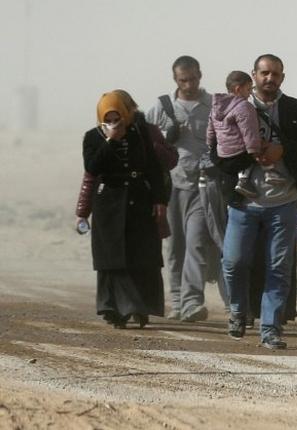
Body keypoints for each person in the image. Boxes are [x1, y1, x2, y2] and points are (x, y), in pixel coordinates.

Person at [222, 54, 297, 349]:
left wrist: (283, 150)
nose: (270, 78)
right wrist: (249, 153)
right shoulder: (235, 107)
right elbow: (218, 152)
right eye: (264, 73)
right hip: (243, 201)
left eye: (275, 74)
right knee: (234, 262)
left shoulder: (295, 109)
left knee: (279, 266)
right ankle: (239, 311)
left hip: (283, 201)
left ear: (282, 77)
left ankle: (270, 328)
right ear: (254, 75)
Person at [83, 91, 167, 328]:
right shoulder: (92, 137)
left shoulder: (139, 135)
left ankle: (142, 307)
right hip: (108, 205)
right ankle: (115, 308)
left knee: (141, 256)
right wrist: (111, 140)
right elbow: (92, 167)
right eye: (108, 118)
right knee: (112, 259)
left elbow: (153, 168)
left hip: (139, 201)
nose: (113, 123)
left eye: (117, 117)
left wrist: (160, 201)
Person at [146, 55, 219, 323]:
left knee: (197, 244)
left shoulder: (212, 106)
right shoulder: (163, 107)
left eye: (193, 79)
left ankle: (192, 303)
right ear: (175, 80)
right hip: (171, 187)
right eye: (183, 80)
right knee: (174, 246)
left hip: (202, 187)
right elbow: (144, 138)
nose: (189, 84)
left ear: (201, 75)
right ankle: (176, 301)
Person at [76, 90, 177, 239]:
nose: (115, 122)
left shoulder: (146, 131)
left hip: (142, 203)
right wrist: (82, 212)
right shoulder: (97, 136)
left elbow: (162, 165)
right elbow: (90, 176)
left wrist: (152, 146)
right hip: (110, 206)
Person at [207, 71, 263, 198]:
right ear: (238, 89)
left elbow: (211, 130)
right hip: (238, 154)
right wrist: (254, 150)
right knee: (259, 149)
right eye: (249, 89)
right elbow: (249, 131)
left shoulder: (215, 108)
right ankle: (247, 178)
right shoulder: (244, 106)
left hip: (222, 153)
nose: (250, 94)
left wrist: (210, 144)